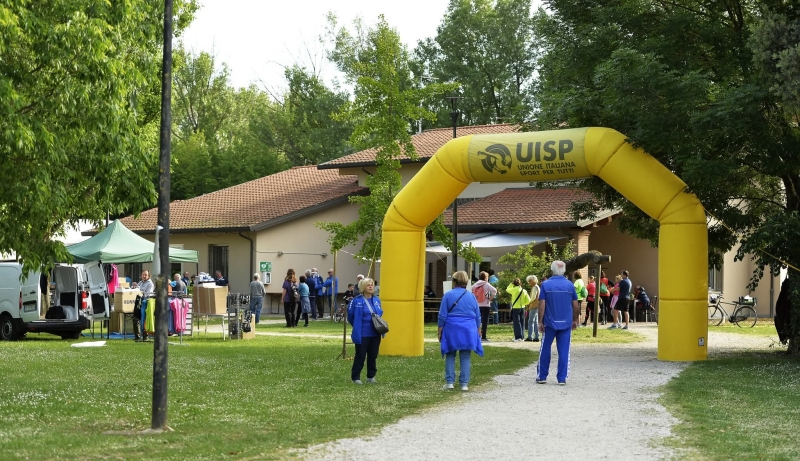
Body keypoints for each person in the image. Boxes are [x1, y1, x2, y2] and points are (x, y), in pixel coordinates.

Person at [536, 260, 580, 385]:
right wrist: (575, 320)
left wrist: (540, 321)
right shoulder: (570, 285)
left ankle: (542, 376)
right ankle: (562, 378)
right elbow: (575, 305)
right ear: (564, 270)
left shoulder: (545, 284)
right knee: (564, 351)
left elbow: (542, 304)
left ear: (552, 269)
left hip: (549, 322)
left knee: (545, 349)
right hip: (565, 323)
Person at [439, 271, 483, 391]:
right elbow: (478, 315)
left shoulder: (448, 295)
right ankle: (464, 384)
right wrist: (478, 329)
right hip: (468, 328)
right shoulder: (471, 296)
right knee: (465, 356)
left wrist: (440, 330)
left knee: (450, 354)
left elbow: (442, 315)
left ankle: (450, 382)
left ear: (454, 282)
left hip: (451, 328)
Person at [347, 277, 384, 384]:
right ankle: (356, 377)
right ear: (363, 287)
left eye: (372, 285)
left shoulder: (376, 300)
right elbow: (350, 316)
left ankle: (371, 377)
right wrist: (357, 326)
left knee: (373, 356)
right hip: (362, 333)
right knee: (360, 355)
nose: (371, 287)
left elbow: (380, 313)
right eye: (368, 285)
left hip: (375, 333)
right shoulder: (356, 300)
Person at [471, 271, 497, 342]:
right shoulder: (487, 284)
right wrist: (489, 298)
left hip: (477, 305)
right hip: (486, 305)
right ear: (485, 278)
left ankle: (476, 335)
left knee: (476, 320)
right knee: (484, 321)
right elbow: (494, 290)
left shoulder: (475, 284)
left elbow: (470, 290)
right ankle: (483, 336)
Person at [133, 270, 154, 341]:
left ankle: (145, 337)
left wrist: (141, 292)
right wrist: (134, 286)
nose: (144, 276)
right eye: (143, 274)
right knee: (135, 318)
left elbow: (148, 294)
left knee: (144, 320)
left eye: (145, 275)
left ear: (148, 276)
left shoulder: (150, 284)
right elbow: (136, 290)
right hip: (138, 303)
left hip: (145, 303)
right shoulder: (140, 282)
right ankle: (137, 337)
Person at [525, 275, 540, 342]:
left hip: (534, 305)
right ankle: (536, 337)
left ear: (533, 280)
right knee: (536, 322)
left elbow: (533, 297)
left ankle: (530, 336)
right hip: (537, 305)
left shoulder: (534, 287)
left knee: (531, 321)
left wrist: (528, 303)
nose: (529, 283)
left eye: (530, 281)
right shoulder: (537, 287)